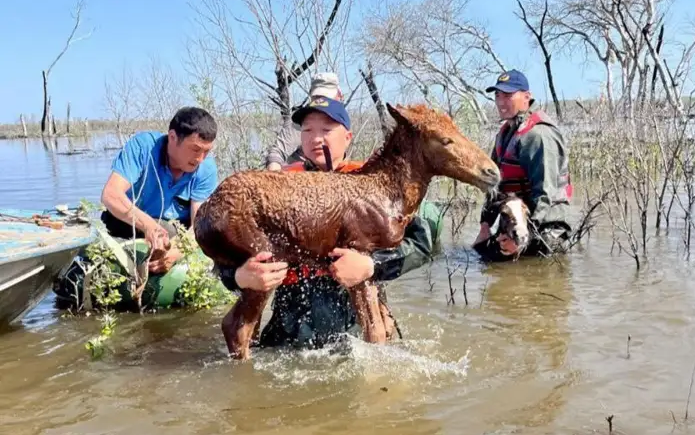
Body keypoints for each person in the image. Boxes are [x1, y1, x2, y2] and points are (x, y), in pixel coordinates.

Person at [217, 97, 441, 350]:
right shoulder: (277, 187)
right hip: (290, 325)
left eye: (326, 129)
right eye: (307, 130)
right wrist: (239, 277)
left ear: (348, 137)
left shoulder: (377, 183)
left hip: (356, 325)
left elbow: (422, 243)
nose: (315, 138)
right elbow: (226, 252)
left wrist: (372, 264)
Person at [100, 106, 219, 274]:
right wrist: (150, 226)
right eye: (195, 149)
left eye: (206, 151)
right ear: (172, 137)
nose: (200, 158)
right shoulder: (143, 147)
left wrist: (177, 253)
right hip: (127, 222)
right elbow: (111, 195)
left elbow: (199, 225)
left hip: (175, 232)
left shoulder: (206, 168)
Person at [473, 69, 572, 262]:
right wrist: (485, 226)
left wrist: (522, 237)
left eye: (508, 95)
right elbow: (495, 187)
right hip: (515, 223)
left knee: (534, 273)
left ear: (527, 97)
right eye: (498, 95)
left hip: (544, 228)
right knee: (480, 255)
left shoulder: (538, 135)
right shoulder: (504, 133)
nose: (501, 102)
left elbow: (545, 195)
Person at [265, 72, 344, 171]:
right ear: (311, 97)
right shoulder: (301, 120)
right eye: (317, 97)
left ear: (339, 96)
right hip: (299, 176)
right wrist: (275, 176)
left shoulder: (341, 121)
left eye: (327, 97)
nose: (321, 101)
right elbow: (276, 154)